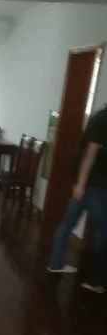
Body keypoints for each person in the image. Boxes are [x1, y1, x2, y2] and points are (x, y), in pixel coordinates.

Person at [47, 104, 107, 294]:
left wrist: (79, 183)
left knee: (68, 224)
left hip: (86, 183)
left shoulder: (99, 117)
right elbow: (91, 151)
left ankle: (56, 263)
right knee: (101, 232)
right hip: (96, 185)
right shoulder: (103, 120)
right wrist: (81, 183)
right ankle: (97, 281)